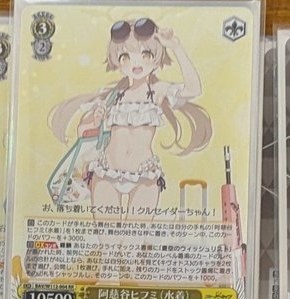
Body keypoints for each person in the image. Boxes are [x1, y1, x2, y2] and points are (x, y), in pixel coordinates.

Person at [45, 18, 211, 212]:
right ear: (117, 61)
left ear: (157, 56)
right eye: (126, 57)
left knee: (137, 231)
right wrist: (96, 120)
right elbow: (83, 132)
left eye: (146, 54)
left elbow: (194, 89)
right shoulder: (113, 93)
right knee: (106, 233)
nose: (136, 62)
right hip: (106, 171)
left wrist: (176, 47)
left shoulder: (158, 90)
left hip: (145, 174)